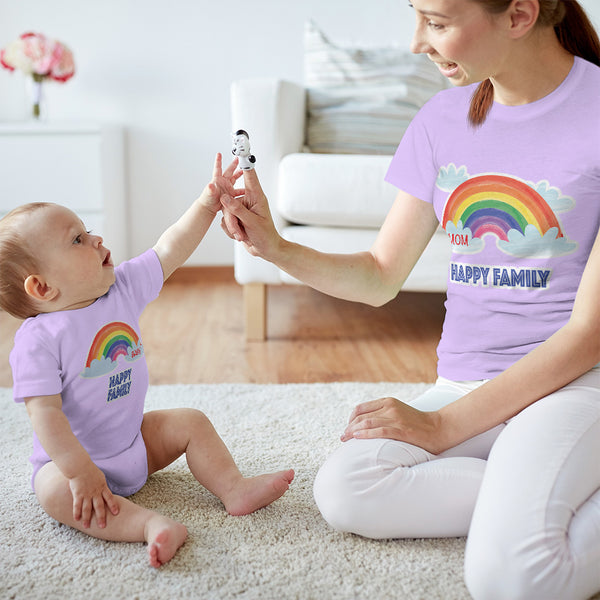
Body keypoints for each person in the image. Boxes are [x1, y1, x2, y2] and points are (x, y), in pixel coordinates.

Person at [219, 1, 600, 598]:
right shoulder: (442, 119)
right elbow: (379, 275)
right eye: (416, 16)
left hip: (573, 386)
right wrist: (275, 247)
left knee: (514, 577)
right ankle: (533, 492)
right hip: (466, 382)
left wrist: (441, 426)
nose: (417, 42)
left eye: (438, 22)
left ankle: (532, 496)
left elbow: (588, 334)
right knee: (346, 490)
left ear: (519, 15)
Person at [1, 154, 294, 569]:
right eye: (77, 240)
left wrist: (208, 203)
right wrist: (79, 471)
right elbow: (45, 414)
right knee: (51, 491)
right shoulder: (38, 340)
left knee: (190, 421)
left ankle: (234, 488)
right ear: (42, 287)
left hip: (134, 444)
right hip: (74, 466)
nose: (96, 239)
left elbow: (170, 247)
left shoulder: (120, 289)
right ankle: (148, 525)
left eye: (88, 231)